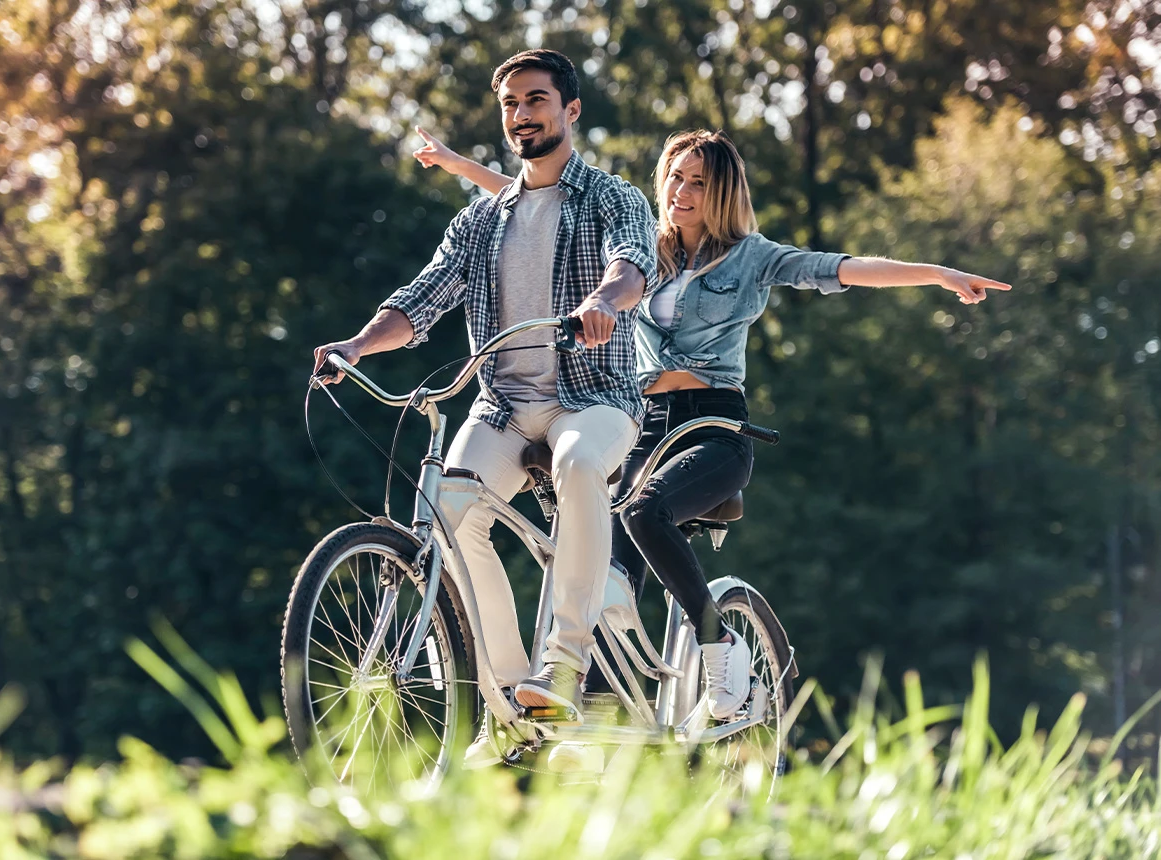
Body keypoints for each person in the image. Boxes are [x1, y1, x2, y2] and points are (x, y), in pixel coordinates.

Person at [414, 126, 1010, 771]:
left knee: (643, 512)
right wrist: (453, 165)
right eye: (674, 176)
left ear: (722, 191)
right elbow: (528, 198)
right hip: (640, 421)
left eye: (698, 181)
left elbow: (841, 268)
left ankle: (719, 644)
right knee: (597, 573)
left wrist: (938, 275)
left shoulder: (752, 257)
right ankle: (573, 709)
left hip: (713, 428)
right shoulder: (641, 247)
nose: (681, 190)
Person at [312, 50, 658, 769]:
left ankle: (563, 664)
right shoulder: (481, 222)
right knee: (448, 515)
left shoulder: (610, 197)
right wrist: (356, 345)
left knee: (580, 461)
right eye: (510, 104)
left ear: (571, 111)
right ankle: (510, 703)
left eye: (536, 100)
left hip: (593, 399)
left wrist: (603, 301)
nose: (522, 115)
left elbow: (633, 262)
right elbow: (421, 300)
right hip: (502, 405)